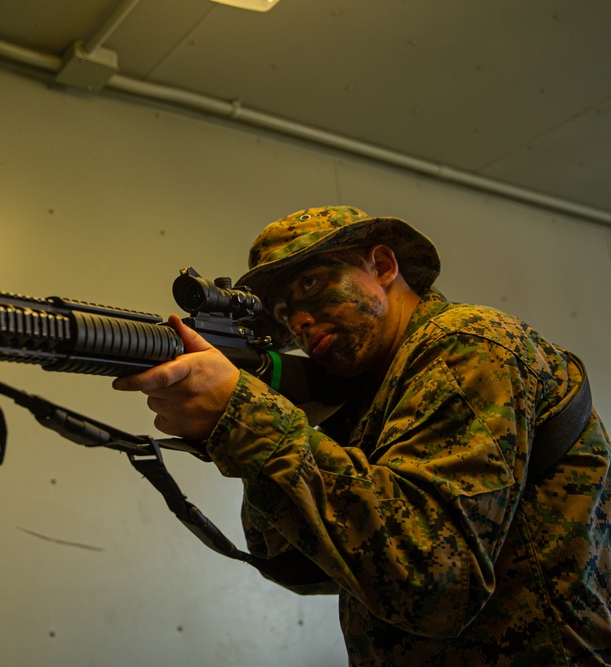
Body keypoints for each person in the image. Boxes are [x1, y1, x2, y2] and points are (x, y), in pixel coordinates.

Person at [112, 206, 611, 665]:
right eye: (284, 315)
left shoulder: (466, 342)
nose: (299, 321)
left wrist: (246, 417)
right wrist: (251, 424)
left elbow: (433, 582)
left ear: (383, 265)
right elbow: (295, 563)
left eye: (310, 283)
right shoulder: (366, 394)